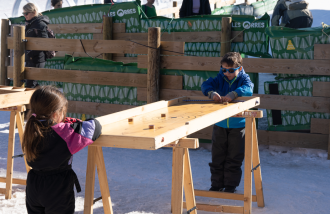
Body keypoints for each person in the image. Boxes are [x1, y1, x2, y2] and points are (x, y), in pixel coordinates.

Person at [22, 86, 102, 213]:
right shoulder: (64, 132)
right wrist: (70, 122)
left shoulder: (31, 126)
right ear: (55, 114)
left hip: (34, 184)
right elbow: (93, 127)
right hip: (57, 186)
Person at [201, 52, 253, 193]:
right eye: (224, 69)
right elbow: (205, 84)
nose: (227, 73)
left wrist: (234, 93)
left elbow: (249, 88)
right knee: (217, 157)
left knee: (234, 157)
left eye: (231, 70)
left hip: (238, 125)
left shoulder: (244, 79)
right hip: (220, 124)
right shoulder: (220, 78)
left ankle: (230, 186)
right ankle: (216, 184)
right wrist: (211, 93)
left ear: (239, 69)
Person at [23, 3, 49, 88]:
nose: (25, 15)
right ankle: (43, 98)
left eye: (26, 13)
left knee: (30, 85)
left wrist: (31, 52)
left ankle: (38, 100)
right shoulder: (30, 23)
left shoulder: (39, 24)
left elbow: (44, 42)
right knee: (32, 84)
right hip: (31, 58)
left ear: (34, 12)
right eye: (23, 13)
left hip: (37, 59)